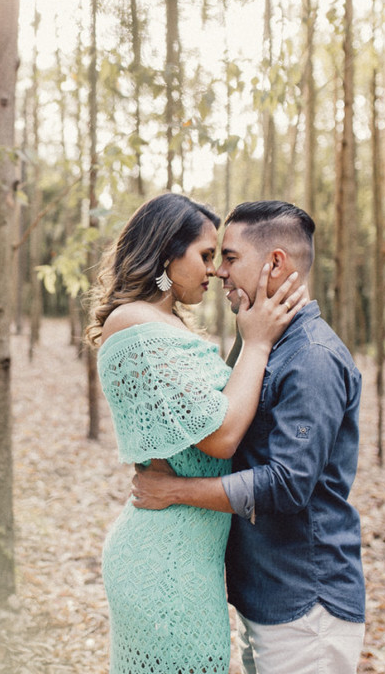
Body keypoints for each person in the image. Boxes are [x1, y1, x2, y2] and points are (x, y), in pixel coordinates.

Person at [132, 200, 366, 674]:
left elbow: (286, 484)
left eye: (232, 258)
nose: (219, 272)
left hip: (305, 604)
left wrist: (176, 491)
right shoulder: (267, 345)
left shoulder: (313, 357)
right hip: (267, 598)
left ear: (276, 263)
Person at [86, 193, 308, 674]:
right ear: (168, 252)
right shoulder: (134, 322)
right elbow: (222, 436)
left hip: (190, 557)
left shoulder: (163, 322)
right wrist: (258, 341)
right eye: (206, 256)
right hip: (165, 561)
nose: (213, 270)